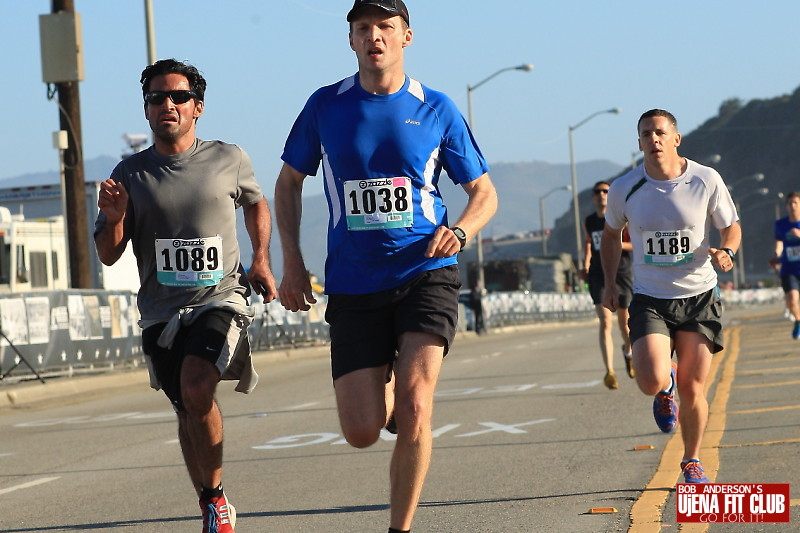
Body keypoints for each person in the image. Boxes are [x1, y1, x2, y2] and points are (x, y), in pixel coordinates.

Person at [273, 1, 497, 531]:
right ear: (351, 39)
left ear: (406, 37)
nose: (375, 36)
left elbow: (484, 193)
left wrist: (460, 231)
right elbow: (288, 183)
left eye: (385, 27)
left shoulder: (436, 107)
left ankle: (400, 526)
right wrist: (292, 262)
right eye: (363, 28)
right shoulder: (325, 105)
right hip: (354, 282)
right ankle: (387, 390)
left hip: (425, 269)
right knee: (361, 431)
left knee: (417, 408)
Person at [94, 58, 277, 533]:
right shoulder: (129, 174)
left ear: (198, 107)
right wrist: (115, 218)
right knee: (185, 407)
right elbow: (109, 255)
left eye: (179, 96)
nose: (168, 105)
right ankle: (209, 500)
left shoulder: (228, 158)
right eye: (157, 98)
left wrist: (260, 258)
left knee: (198, 388)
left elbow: (257, 202)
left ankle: (215, 500)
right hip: (161, 313)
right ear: (147, 110)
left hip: (220, 298)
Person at [600, 109, 741, 484]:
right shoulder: (625, 187)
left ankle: (692, 461)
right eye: (646, 134)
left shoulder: (705, 179)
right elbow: (610, 235)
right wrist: (610, 284)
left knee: (695, 388)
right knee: (649, 379)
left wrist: (728, 251)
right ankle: (664, 387)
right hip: (650, 298)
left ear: (676, 138)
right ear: (639, 142)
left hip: (699, 296)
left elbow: (731, 227)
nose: (654, 139)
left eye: (660, 133)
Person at [580, 180, 634, 389]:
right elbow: (587, 244)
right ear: (593, 197)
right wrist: (585, 265)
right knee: (605, 322)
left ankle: (628, 352)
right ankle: (609, 371)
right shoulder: (589, 221)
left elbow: (634, 243)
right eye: (598, 192)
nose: (601, 194)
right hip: (598, 274)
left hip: (621, 272)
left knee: (625, 324)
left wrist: (614, 242)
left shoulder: (621, 218)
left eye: (605, 191)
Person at [769, 191, 800, 339]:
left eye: (795, 203)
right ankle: (798, 321)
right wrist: (777, 254)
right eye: (790, 203)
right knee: (792, 301)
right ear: (786, 206)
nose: (792, 206)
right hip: (789, 269)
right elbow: (779, 242)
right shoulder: (780, 224)